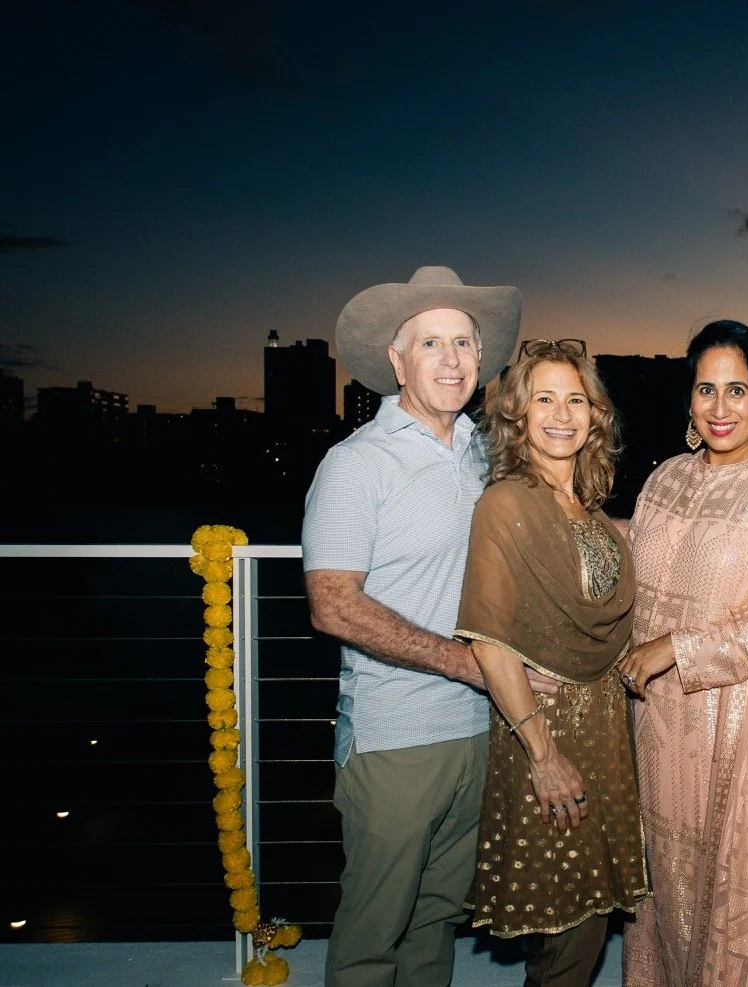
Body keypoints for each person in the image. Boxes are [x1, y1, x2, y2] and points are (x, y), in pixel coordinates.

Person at [303, 265, 545, 987]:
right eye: (431, 342)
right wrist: (462, 662)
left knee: (433, 920)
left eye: (464, 342)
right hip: (396, 737)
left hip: (481, 729)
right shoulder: (356, 465)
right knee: (373, 934)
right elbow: (333, 604)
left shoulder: (481, 454)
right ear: (396, 359)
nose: (451, 359)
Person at [619, 320, 748, 987]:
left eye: (736, 389)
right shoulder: (663, 481)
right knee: (666, 898)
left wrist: (676, 647)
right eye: (705, 389)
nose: (718, 407)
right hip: (656, 739)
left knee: (740, 909)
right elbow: (633, 571)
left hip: (742, 738)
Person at [454, 338, 649, 987]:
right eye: (544, 398)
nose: (561, 413)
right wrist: (542, 752)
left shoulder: (591, 511)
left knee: (585, 925)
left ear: (595, 414)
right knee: (563, 933)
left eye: (575, 398)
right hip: (546, 735)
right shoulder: (505, 505)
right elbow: (489, 641)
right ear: (518, 414)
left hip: (602, 733)